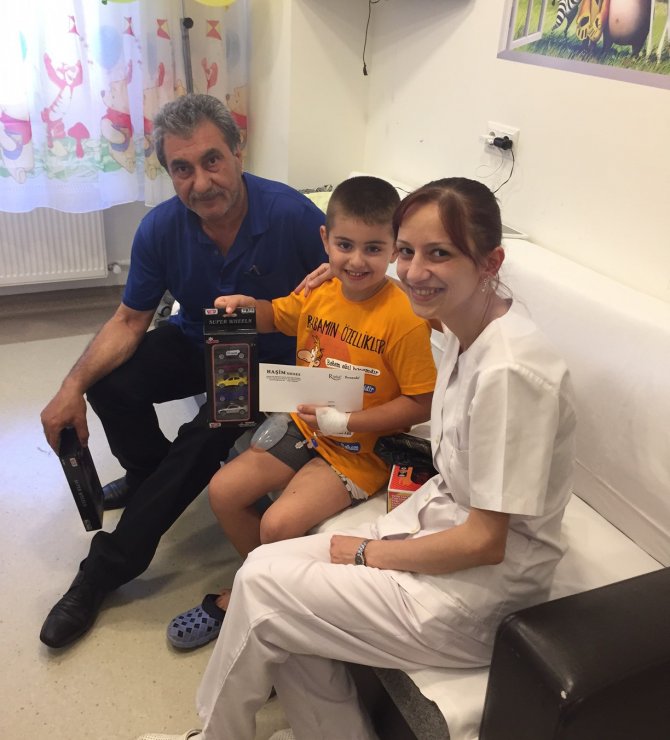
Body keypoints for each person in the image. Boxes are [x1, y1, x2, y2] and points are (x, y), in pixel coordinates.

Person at [137, 176, 577, 740]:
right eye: (408, 251)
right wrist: (336, 277)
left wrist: (369, 552)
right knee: (266, 573)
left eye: (439, 254)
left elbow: (485, 543)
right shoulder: (463, 328)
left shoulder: (510, 373)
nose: (414, 271)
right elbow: (352, 311)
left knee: (265, 591)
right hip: (433, 531)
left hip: (474, 594)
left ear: (491, 261)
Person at [38, 93, 328, 650]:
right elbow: (129, 320)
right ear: (169, 173)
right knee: (109, 383)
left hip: (274, 365)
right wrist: (71, 386)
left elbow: (347, 296)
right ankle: (148, 476)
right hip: (202, 341)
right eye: (182, 169)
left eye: (212, 160)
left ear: (238, 152)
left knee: (205, 436)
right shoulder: (161, 227)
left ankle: (103, 571)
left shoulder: (292, 216)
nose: (201, 182)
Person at [165, 176, 436, 650]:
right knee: (223, 491)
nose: (356, 261)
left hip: (359, 451)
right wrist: (246, 307)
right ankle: (263, 589)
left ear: (395, 249)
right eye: (345, 245)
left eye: (373, 248)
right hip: (304, 427)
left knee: (278, 524)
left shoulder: (405, 318)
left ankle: (250, 600)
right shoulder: (320, 291)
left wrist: (348, 422)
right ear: (325, 240)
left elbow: (421, 402)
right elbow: (279, 315)